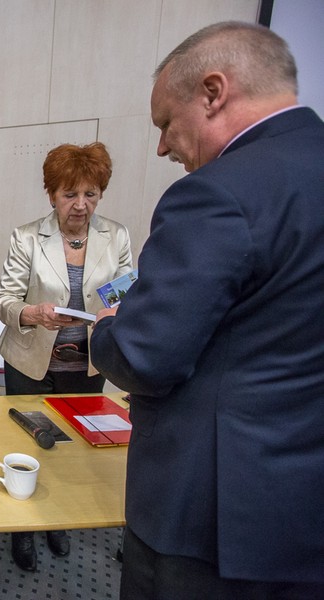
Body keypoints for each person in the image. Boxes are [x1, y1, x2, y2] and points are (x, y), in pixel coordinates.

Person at [90, 22, 324, 598]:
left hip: (207, 512)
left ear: (213, 92)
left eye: (167, 122)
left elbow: (145, 356)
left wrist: (106, 331)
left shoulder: (219, 192)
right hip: (301, 506)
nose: (163, 146)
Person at [0, 141, 132, 572]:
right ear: (51, 194)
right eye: (70, 194)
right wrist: (31, 313)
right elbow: (4, 301)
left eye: (90, 194)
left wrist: (118, 310)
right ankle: (24, 529)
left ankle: (59, 522)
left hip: (88, 364)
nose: (80, 205)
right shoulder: (27, 236)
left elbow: (125, 291)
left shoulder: (117, 236)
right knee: (28, 443)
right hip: (31, 361)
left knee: (73, 447)